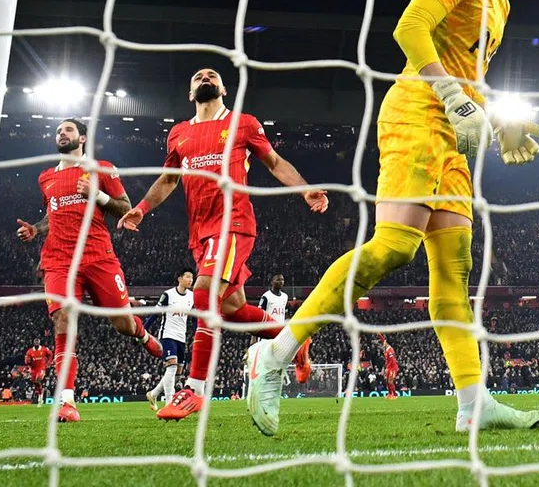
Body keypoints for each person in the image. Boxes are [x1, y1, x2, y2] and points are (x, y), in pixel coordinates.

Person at [246, 0, 539, 437]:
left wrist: (495, 120)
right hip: (416, 114)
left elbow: (467, 72)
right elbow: (410, 29)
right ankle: (273, 355)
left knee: (453, 271)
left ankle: (472, 402)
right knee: (393, 247)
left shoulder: (503, 3)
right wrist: (456, 99)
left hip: (454, 132)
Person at [118, 68, 325, 420]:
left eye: (211, 75)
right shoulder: (179, 134)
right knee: (231, 308)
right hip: (200, 233)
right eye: (197, 76)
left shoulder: (243, 123)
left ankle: (196, 390)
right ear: (189, 93)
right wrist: (140, 209)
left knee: (203, 294)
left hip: (233, 224)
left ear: (224, 88)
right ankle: (297, 340)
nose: (204, 78)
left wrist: (304, 188)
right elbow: (168, 179)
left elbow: (274, 163)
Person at [17, 117, 162, 422]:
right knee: (62, 319)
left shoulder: (101, 168)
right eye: (58, 130)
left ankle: (140, 333)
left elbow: (126, 207)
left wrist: (97, 195)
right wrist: (36, 230)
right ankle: (67, 401)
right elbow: (51, 215)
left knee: (122, 324)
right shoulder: (46, 177)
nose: (61, 133)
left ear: (82, 138)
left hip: (98, 257)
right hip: (57, 260)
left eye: (68, 129)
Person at [145, 269, 195, 412]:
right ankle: (169, 405)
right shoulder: (168, 295)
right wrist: (142, 330)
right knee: (172, 368)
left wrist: (197, 332)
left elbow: (195, 316)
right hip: (167, 335)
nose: (190, 280)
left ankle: (153, 394)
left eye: (192, 277)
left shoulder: (192, 296)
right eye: (187, 277)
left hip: (181, 337)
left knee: (177, 373)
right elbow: (155, 314)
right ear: (180, 279)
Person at [25, 337, 53, 406]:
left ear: (39, 342)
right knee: (36, 383)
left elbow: (50, 354)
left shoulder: (43, 349)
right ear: (34, 343)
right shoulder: (30, 351)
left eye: (37, 342)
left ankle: (40, 395)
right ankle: (40, 397)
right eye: (35, 342)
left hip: (41, 368)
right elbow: (27, 361)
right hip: (34, 369)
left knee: (38, 378)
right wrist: (27, 362)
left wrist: (49, 363)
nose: (36, 343)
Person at [377, 334, 400, 400]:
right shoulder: (387, 348)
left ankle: (395, 395)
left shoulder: (390, 350)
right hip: (389, 367)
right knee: (387, 381)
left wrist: (387, 368)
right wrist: (379, 335)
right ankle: (389, 394)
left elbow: (392, 360)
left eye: (384, 342)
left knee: (390, 381)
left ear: (387, 343)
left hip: (392, 367)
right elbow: (383, 340)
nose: (383, 343)